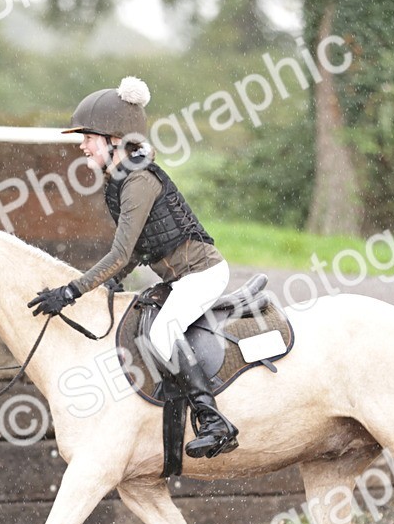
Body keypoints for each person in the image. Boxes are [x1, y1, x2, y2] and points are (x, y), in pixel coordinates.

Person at [27, 76, 238, 459]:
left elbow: (121, 253)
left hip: (202, 275)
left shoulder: (138, 181)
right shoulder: (122, 179)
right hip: (181, 277)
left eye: (88, 137)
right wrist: (114, 282)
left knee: (163, 334)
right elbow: (141, 248)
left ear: (115, 139)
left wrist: (71, 291)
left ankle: (213, 421)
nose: (82, 145)